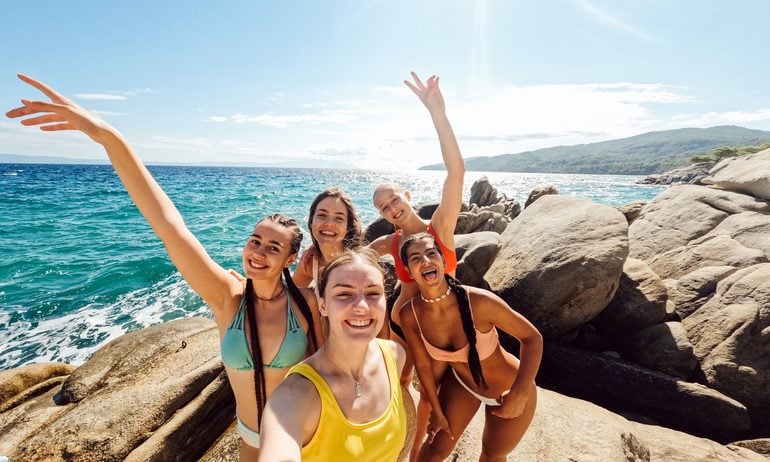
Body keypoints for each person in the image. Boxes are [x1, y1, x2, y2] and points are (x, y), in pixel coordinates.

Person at [6, 74, 324, 460]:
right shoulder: (228, 297)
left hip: (307, 440)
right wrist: (110, 138)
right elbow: (169, 225)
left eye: (273, 246)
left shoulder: (306, 305)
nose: (258, 251)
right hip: (252, 441)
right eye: (254, 240)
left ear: (290, 258)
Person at [368, 71, 465, 459]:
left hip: (441, 324)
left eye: (394, 200)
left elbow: (456, 173)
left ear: (407, 195)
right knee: (396, 384)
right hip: (399, 325)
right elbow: (355, 257)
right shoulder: (390, 241)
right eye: (383, 207)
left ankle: (414, 453)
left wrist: (437, 114)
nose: (391, 208)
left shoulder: (438, 228)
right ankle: (392, 444)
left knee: (429, 395)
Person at [398, 232, 542, 462]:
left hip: (507, 389)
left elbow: (532, 338)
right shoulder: (410, 314)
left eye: (431, 253)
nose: (425, 261)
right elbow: (423, 366)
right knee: (432, 453)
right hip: (461, 386)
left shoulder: (480, 302)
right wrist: (435, 409)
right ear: (408, 271)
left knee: (492, 455)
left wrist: (520, 391)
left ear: (443, 261)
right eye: (415, 258)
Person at [259, 249, 409, 461]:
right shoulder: (295, 396)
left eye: (373, 293)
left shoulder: (394, 355)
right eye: (344, 294)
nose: (362, 306)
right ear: (323, 305)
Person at [293, 187, 362, 293]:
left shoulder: (357, 266)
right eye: (322, 215)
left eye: (339, 218)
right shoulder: (311, 262)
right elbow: (291, 296)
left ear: (347, 227)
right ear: (311, 222)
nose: (329, 223)